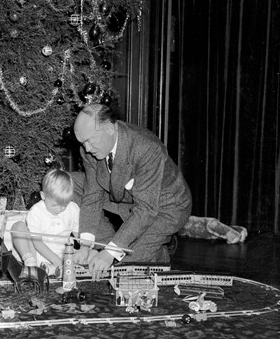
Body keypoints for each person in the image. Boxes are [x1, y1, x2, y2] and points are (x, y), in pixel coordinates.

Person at [72, 103, 192, 280]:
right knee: (73, 183)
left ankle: (149, 248)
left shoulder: (147, 148)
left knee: (124, 269)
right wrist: (86, 245)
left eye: (90, 140)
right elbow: (92, 196)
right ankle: (121, 245)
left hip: (164, 206)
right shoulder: (88, 149)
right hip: (127, 196)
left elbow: (146, 209)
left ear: (109, 128)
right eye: (83, 143)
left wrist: (110, 253)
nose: (87, 149)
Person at [11, 168, 80, 277]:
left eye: (64, 205)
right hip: (36, 252)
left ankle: (50, 269)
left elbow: (78, 234)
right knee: (17, 226)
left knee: (91, 255)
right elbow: (37, 243)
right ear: (43, 196)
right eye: (54, 205)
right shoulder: (36, 211)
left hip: (63, 253)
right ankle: (30, 262)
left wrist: (86, 248)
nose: (59, 209)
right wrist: (57, 261)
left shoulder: (73, 208)